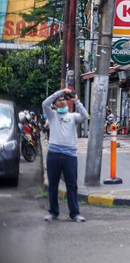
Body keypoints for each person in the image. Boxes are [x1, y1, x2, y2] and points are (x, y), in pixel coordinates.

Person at [42, 88, 89, 222]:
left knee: (72, 185)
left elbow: (85, 116)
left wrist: (77, 101)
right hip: (54, 154)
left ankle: (74, 213)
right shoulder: (52, 115)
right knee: (53, 185)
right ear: (55, 104)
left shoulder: (73, 116)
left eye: (64, 99)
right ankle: (53, 212)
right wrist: (60, 92)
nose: (62, 101)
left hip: (70, 155)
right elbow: (45, 103)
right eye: (59, 100)